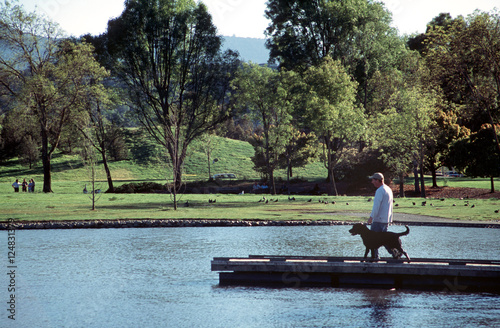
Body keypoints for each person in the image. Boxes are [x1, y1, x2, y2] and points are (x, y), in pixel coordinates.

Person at [367, 172, 394, 258]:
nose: (372, 182)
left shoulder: (380, 190)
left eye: (373, 180)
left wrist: (371, 217)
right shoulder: (388, 189)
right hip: (385, 220)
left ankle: (374, 257)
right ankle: (395, 254)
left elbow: (376, 206)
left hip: (378, 220)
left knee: (373, 240)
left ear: (378, 180)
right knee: (385, 240)